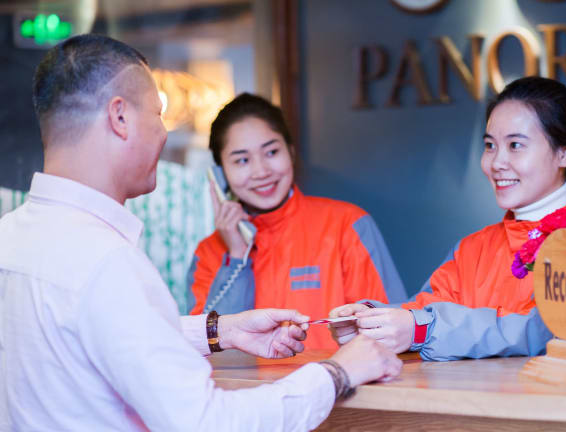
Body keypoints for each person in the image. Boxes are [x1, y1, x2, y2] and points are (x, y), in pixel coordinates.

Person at [0, 34, 401, 431]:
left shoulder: (10, 238)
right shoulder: (107, 262)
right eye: (158, 114)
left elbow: (111, 337)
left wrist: (222, 329)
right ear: (119, 117)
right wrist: (335, 374)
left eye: (271, 151)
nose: (164, 134)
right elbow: (207, 422)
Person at [329, 76, 566, 361]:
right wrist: (370, 321)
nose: (497, 162)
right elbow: (426, 307)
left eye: (515, 145)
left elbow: (548, 330)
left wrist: (422, 329)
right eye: (490, 145)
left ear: (565, 153)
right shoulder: (472, 248)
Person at [186, 93, 407, 350]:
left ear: (290, 152)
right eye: (242, 160)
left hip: (339, 377)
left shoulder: (348, 225)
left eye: (271, 152)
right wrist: (236, 256)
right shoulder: (208, 254)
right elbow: (208, 351)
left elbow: (391, 334)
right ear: (220, 175)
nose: (261, 171)